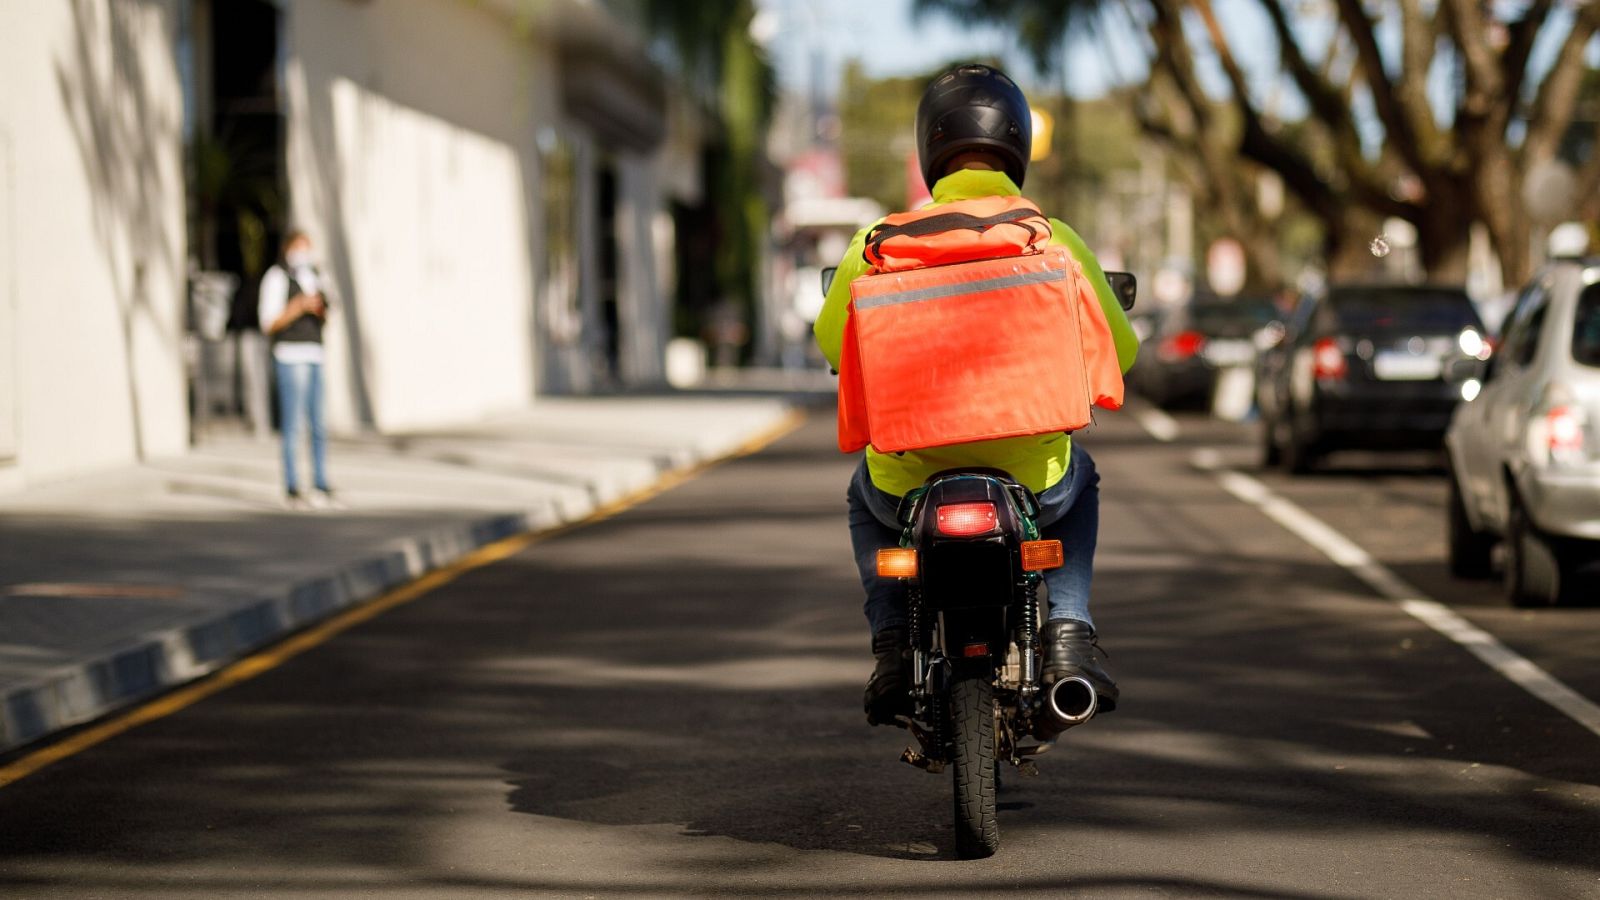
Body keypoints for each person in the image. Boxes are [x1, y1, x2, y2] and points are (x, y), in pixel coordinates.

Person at [812, 64, 1140, 731]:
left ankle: (892, 645)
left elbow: (830, 344)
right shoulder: (1054, 237)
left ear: (929, 146)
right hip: (1034, 486)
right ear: (1016, 143)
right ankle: (1069, 634)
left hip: (906, 488)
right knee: (1082, 479)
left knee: (861, 496)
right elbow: (1123, 351)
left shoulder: (874, 244)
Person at [258, 230, 337, 510]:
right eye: (299, 247)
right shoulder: (276, 277)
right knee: (293, 425)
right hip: (290, 357)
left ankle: (320, 484)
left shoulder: (317, 275)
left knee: (319, 424)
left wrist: (318, 308)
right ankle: (292, 488)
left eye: (308, 247)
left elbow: (328, 313)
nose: (304, 253)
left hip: (315, 354)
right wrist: (298, 306)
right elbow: (268, 323)